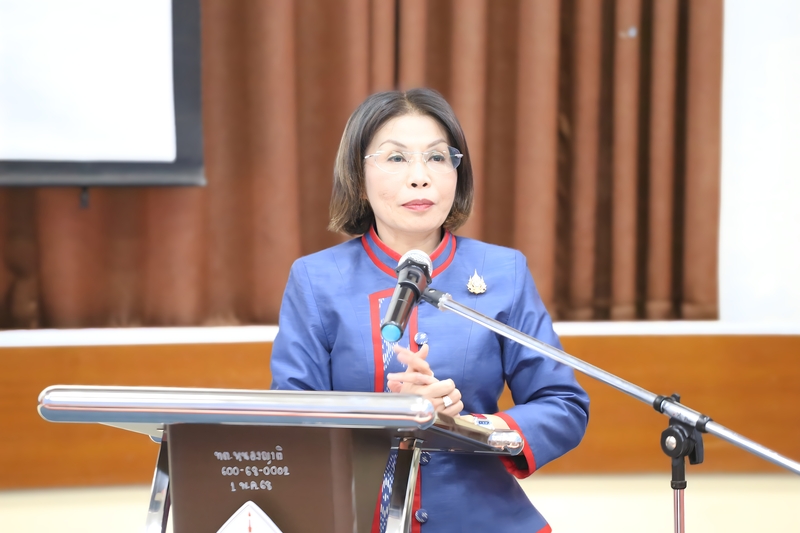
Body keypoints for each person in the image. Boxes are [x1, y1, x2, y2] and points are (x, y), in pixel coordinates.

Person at [270, 88, 589, 533]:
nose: (420, 177)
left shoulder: (502, 271)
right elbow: (292, 423)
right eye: (396, 158)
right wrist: (390, 416)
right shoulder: (317, 279)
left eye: (438, 158)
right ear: (359, 180)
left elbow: (563, 405)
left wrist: (470, 425)